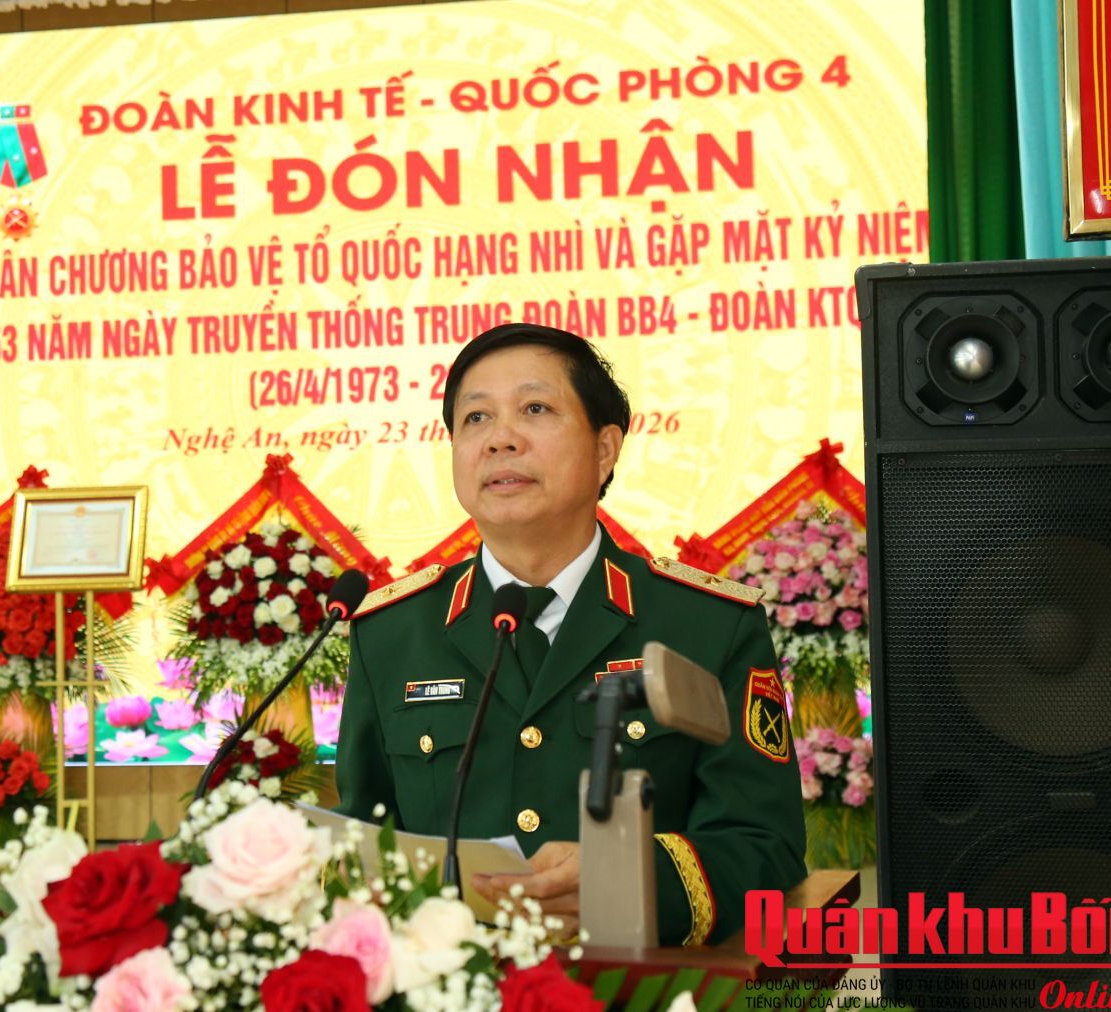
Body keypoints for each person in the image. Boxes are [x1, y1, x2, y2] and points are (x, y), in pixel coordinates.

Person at [334, 322, 805, 947]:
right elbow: (359, 840)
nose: (500, 439)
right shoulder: (392, 633)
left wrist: (631, 881)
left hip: (646, 983)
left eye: (535, 409)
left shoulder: (709, 625)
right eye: (475, 418)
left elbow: (765, 845)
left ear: (605, 449)